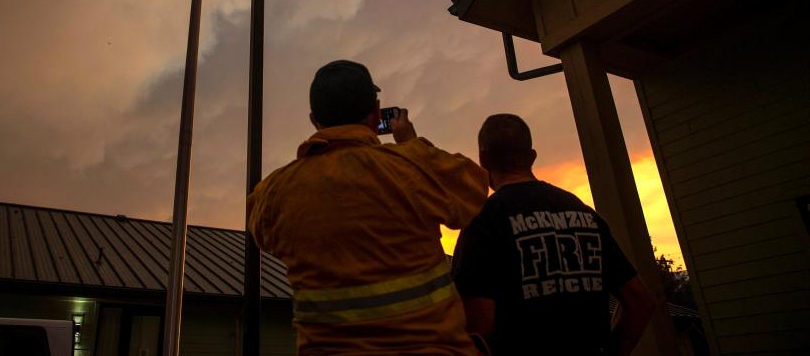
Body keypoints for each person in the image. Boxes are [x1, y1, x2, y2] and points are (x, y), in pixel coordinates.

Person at [248, 60, 489, 355]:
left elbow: (263, 234)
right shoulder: (412, 165)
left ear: (314, 121)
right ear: (376, 114)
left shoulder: (273, 194)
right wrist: (412, 144)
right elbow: (474, 189)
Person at [451, 114, 655, 355]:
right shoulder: (584, 213)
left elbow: (479, 324)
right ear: (532, 157)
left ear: (483, 160)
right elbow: (640, 300)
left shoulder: (482, 220)